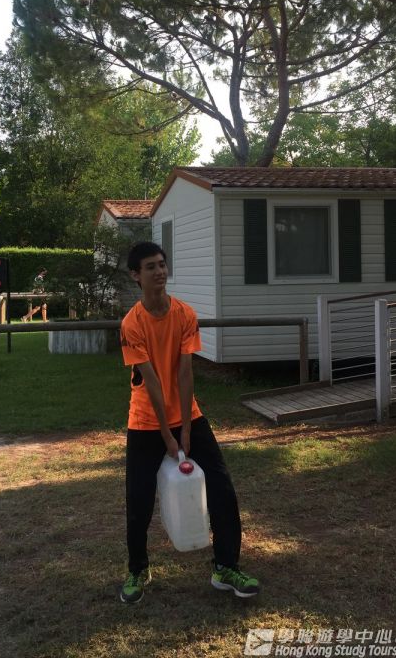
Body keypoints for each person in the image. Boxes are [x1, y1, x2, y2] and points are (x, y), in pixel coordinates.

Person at [119, 241, 260, 604]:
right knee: (138, 501)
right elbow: (151, 381)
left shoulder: (185, 314)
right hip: (145, 421)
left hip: (189, 416)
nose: (159, 272)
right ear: (136, 276)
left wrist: (184, 427)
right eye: (150, 267)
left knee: (222, 490)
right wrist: (167, 435)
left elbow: (185, 373)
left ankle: (225, 567)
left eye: (162, 264)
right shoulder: (132, 323)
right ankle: (138, 570)